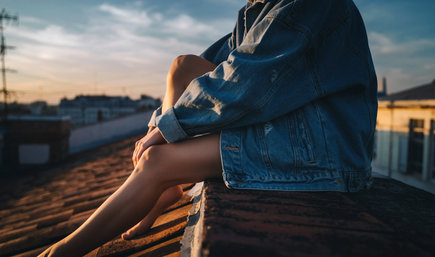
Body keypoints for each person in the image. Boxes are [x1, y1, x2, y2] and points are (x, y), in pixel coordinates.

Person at [39, 0, 377, 255]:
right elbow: (211, 71)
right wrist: (165, 126)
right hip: (288, 124)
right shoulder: (259, 10)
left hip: (321, 150)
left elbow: (245, 84)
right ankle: (167, 188)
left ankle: (59, 252)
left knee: (154, 162)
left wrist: (167, 129)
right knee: (182, 67)